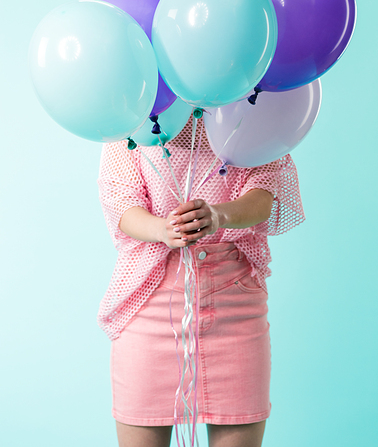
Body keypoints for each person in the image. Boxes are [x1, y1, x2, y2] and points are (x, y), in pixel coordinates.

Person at [97, 114, 305, 447]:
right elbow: (121, 203)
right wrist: (164, 230)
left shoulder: (254, 106)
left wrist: (218, 215)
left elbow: (262, 195)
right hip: (150, 299)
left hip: (234, 302)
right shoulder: (133, 109)